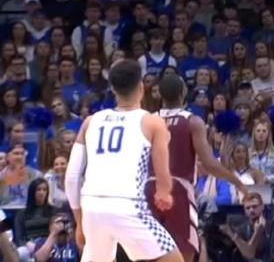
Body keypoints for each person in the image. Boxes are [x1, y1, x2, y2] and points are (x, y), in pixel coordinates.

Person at [64, 59, 182, 262]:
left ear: (113, 89)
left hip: (92, 206)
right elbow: (163, 178)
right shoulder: (153, 122)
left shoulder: (91, 121)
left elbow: (72, 177)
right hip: (129, 206)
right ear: (141, 87)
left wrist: (79, 221)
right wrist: (164, 194)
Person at [146, 73, 249, 262]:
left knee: (150, 253)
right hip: (177, 192)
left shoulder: (147, 121)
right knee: (183, 254)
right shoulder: (192, 121)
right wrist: (238, 183)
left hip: (150, 190)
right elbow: (210, 164)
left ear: (160, 94)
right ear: (183, 93)